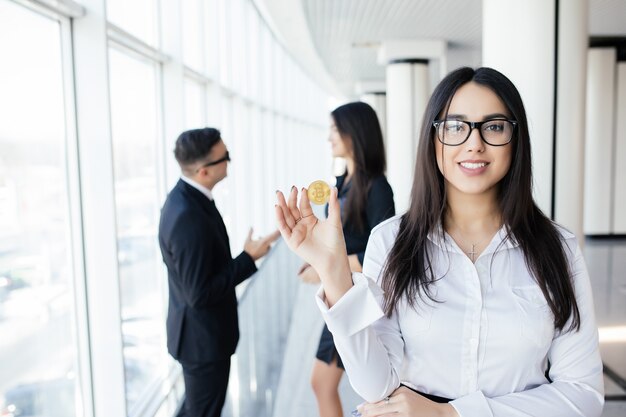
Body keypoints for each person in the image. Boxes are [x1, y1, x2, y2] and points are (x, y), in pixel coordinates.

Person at [276, 67, 604, 417]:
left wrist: (452, 413)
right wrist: (334, 276)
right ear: (433, 140)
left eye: (493, 126)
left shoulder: (558, 249)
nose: (474, 143)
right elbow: (376, 385)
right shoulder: (391, 242)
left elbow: (582, 394)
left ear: (515, 140)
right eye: (455, 127)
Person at [159, 127, 279, 417]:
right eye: (225, 156)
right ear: (204, 171)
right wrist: (248, 258)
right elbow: (199, 293)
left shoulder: (187, 199)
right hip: (202, 342)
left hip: (202, 338)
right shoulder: (188, 215)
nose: (229, 160)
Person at [297, 101, 395, 417]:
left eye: (335, 131)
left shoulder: (377, 188)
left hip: (359, 302)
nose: (330, 138)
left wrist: (329, 268)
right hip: (343, 295)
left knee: (323, 384)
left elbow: (385, 255)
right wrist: (319, 262)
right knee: (321, 384)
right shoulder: (344, 182)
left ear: (356, 133)